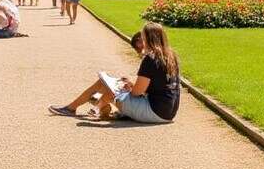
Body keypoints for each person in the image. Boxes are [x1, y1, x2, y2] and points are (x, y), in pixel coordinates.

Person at [49, 22, 180, 124]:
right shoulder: (171, 56)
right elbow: (158, 86)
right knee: (111, 86)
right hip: (168, 113)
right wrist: (131, 85)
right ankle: (92, 107)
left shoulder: (150, 58)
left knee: (110, 86)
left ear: (148, 39)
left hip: (154, 113)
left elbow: (137, 92)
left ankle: (88, 107)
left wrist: (130, 86)